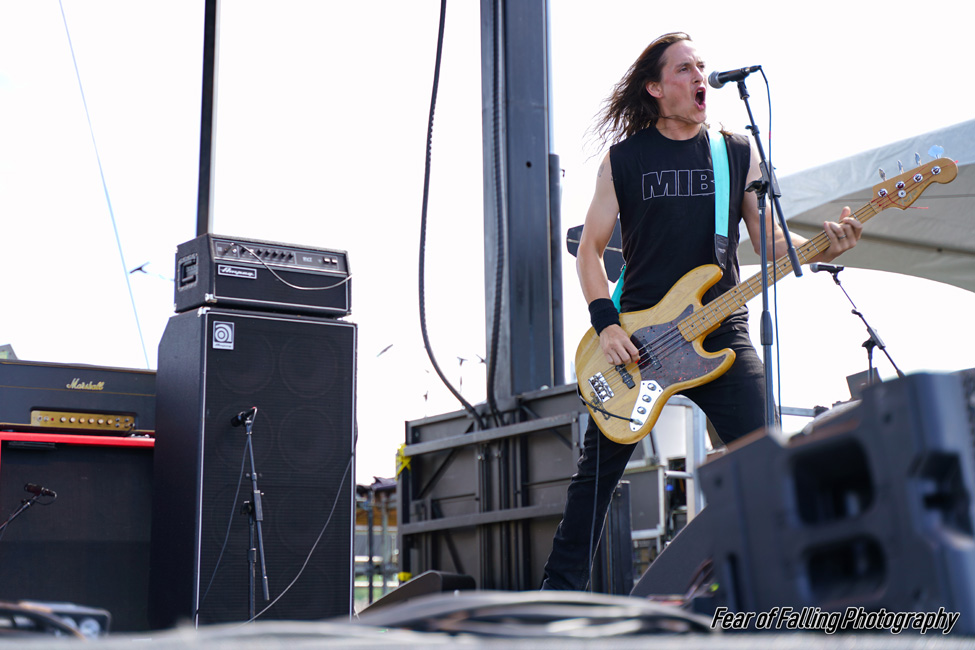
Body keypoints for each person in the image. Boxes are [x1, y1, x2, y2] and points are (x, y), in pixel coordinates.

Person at [541, 32, 862, 591]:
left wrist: (821, 245)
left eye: (701, 67)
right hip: (639, 341)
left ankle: (787, 593)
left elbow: (766, 240)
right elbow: (589, 251)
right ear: (656, 88)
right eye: (684, 69)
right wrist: (606, 323)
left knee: (767, 464)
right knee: (592, 484)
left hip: (723, 331)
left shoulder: (735, 151)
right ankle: (552, 602)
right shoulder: (625, 159)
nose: (698, 78)